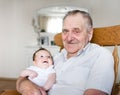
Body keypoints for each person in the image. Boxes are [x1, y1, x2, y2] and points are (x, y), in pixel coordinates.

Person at [16, 10, 114, 95]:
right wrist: (28, 87)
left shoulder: (100, 55)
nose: (69, 38)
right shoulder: (54, 58)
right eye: (65, 31)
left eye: (76, 31)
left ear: (89, 33)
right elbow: (22, 79)